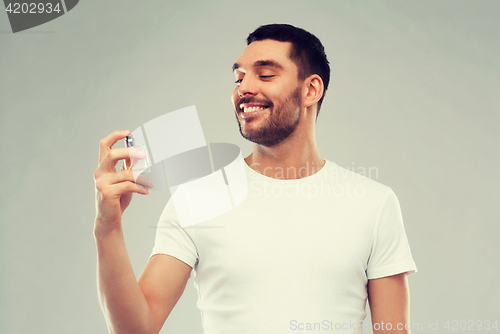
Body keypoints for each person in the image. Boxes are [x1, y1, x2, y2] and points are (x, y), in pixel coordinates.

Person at [93, 24, 417, 334]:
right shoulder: (199, 197)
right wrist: (107, 228)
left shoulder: (374, 203)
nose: (244, 88)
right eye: (239, 77)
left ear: (311, 89)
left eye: (265, 75)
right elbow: (136, 329)